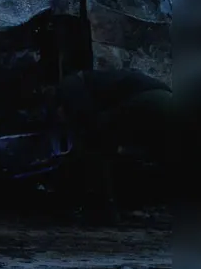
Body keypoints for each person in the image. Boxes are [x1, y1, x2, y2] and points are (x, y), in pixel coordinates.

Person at [54, 68, 173, 223]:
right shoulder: (99, 80)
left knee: (95, 145)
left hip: (149, 101)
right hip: (168, 100)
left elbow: (89, 124)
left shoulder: (68, 85)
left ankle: (104, 210)